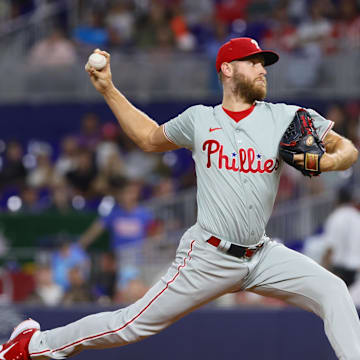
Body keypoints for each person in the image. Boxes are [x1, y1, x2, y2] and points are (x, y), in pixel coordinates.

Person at [2, 37, 360, 360]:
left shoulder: (285, 116)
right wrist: (109, 88)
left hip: (262, 253)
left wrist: (329, 160)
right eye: (253, 62)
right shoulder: (200, 120)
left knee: (333, 291)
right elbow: (149, 138)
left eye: (264, 63)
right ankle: (34, 344)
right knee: (131, 325)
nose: (261, 69)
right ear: (228, 69)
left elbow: (347, 147)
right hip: (209, 255)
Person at [322, 187, 360, 287]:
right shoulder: (357, 216)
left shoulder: (336, 217)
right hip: (356, 270)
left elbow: (330, 249)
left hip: (340, 271)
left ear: (337, 200)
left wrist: (323, 271)